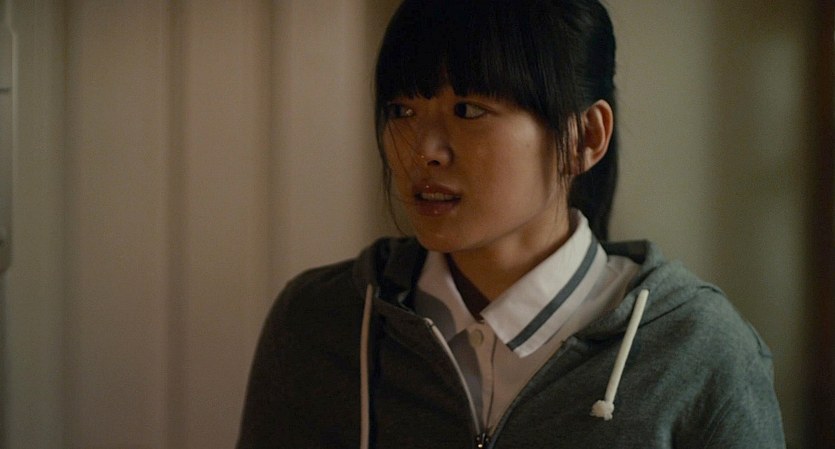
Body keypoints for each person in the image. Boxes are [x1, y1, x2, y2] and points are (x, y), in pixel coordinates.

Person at [237, 0, 786, 447]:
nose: (424, 151)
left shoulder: (697, 352)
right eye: (403, 111)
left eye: (468, 110)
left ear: (585, 137)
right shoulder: (320, 324)